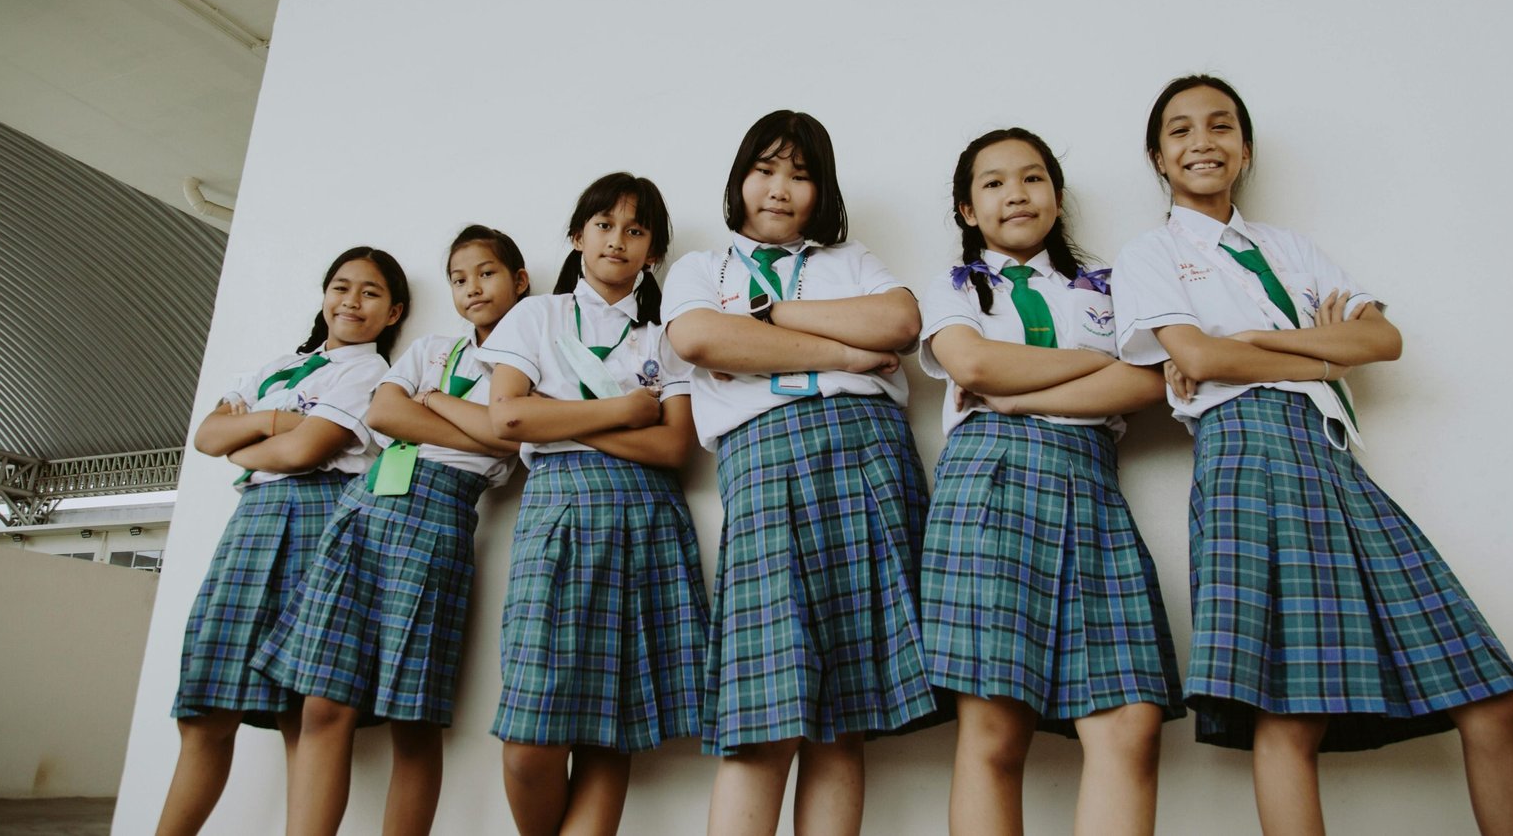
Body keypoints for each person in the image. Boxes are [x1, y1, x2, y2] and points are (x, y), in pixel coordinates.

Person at [1111, 75, 1513, 835]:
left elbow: (1381, 339)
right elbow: (1196, 357)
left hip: (1332, 458)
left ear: (1244, 149)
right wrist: (1320, 355)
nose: (1202, 141)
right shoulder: (1150, 253)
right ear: (1158, 156)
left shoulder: (1291, 248)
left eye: (1220, 126)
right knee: (1290, 712)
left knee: (1496, 697)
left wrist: (1253, 340)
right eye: (1180, 131)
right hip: (1247, 457)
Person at [662, 110, 937, 836]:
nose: (780, 188)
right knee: (761, 708)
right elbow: (698, 335)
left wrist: (768, 318)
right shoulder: (700, 268)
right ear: (739, 177)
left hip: (866, 455)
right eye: (766, 168)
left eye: (801, 174)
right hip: (764, 462)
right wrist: (844, 354)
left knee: (843, 712)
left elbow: (901, 323)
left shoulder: (852, 258)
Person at [919, 127, 1182, 836]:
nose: (1016, 193)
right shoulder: (951, 286)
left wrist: (1018, 386)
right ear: (967, 210)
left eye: (1032, 178)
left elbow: (1149, 380)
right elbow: (973, 367)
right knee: (997, 729)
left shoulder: (1109, 288)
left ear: (1057, 198)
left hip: (1093, 488)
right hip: (988, 485)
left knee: (1131, 721)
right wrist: (1091, 369)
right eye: (994, 182)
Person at [254, 226, 530, 836]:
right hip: (365, 504)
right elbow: (383, 413)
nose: (471, 288)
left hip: (440, 519)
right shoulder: (433, 347)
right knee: (322, 701)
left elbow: (514, 437)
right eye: (458, 279)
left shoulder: (532, 358)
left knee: (412, 716)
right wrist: (477, 424)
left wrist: (434, 408)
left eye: (485, 273)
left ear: (520, 281)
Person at [483, 173, 708, 836]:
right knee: (531, 739)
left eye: (636, 230)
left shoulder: (666, 332)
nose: (618, 240)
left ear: (653, 251)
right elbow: (506, 416)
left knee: (616, 723)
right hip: (558, 511)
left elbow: (674, 446)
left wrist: (558, 414)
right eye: (605, 224)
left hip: (648, 517)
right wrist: (620, 410)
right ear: (579, 233)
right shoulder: (536, 315)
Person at [157, 246, 409, 836]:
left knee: (307, 708)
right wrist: (279, 421)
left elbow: (303, 452)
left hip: (324, 518)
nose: (352, 301)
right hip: (250, 527)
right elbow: (207, 436)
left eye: (370, 293)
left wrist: (249, 438)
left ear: (393, 312)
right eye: (341, 287)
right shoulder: (270, 369)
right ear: (324, 295)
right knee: (205, 709)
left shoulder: (368, 372)